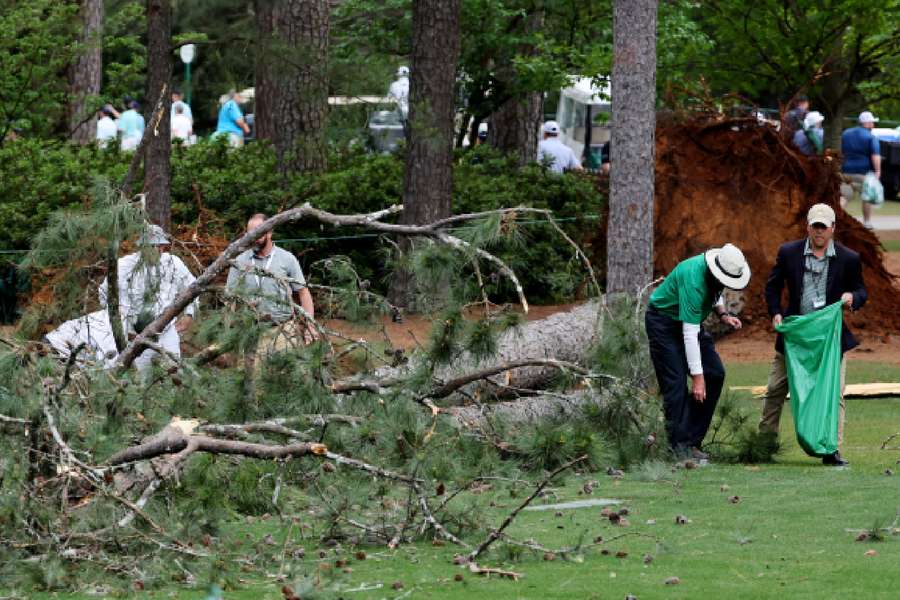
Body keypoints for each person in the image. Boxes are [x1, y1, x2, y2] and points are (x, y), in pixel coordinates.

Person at [759, 203, 867, 466]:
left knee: (835, 393)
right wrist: (776, 312)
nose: (819, 231)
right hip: (795, 335)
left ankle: (832, 449)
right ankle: (764, 445)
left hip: (829, 338)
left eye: (824, 226)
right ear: (808, 226)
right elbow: (772, 287)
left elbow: (861, 291)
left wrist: (852, 297)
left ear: (833, 228)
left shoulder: (849, 258)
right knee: (775, 388)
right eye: (815, 226)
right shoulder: (789, 253)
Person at [645, 243, 750, 460]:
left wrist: (723, 314)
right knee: (675, 385)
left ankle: (691, 441)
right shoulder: (693, 281)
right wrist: (698, 378)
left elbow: (715, 292)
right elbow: (689, 335)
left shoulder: (716, 274)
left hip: (688, 323)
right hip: (663, 323)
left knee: (716, 373)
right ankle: (678, 448)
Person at [99, 224, 198, 371]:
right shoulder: (124, 266)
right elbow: (104, 294)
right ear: (142, 246)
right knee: (140, 379)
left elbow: (192, 287)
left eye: (160, 245)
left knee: (174, 374)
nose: (157, 249)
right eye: (152, 245)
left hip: (166, 332)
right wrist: (121, 324)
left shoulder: (173, 263)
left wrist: (189, 313)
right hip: (134, 336)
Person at [226, 214, 317, 352]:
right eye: (250, 233)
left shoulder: (287, 259)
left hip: (283, 330)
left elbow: (304, 293)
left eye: (258, 231)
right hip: (249, 332)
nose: (254, 236)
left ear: (270, 231)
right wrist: (227, 334)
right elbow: (229, 298)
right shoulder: (239, 261)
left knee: (283, 372)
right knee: (251, 373)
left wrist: (310, 326)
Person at [841, 111, 882, 229]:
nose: (873, 124)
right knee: (867, 196)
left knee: (844, 196)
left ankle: (835, 219)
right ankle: (867, 222)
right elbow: (875, 155)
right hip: (863, 173)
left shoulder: (846, 133)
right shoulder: (871, 137)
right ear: (868, 123)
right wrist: (878, 171)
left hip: (846, 171)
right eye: (872, 122)